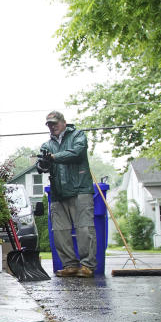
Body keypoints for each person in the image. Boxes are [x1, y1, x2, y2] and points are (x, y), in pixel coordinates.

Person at [37, 110, 96, 277]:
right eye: (49, 124)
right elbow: (42, 164)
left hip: (80, 190)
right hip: (57, 192)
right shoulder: (46, 145)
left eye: (55, 123)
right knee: (60, 231)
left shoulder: (78, 136)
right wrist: (42, 165)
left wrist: (54, 157)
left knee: (85, 229)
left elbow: (76, 154)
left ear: (64, 122)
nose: (52, 126)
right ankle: (70, 265)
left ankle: (87, 266)